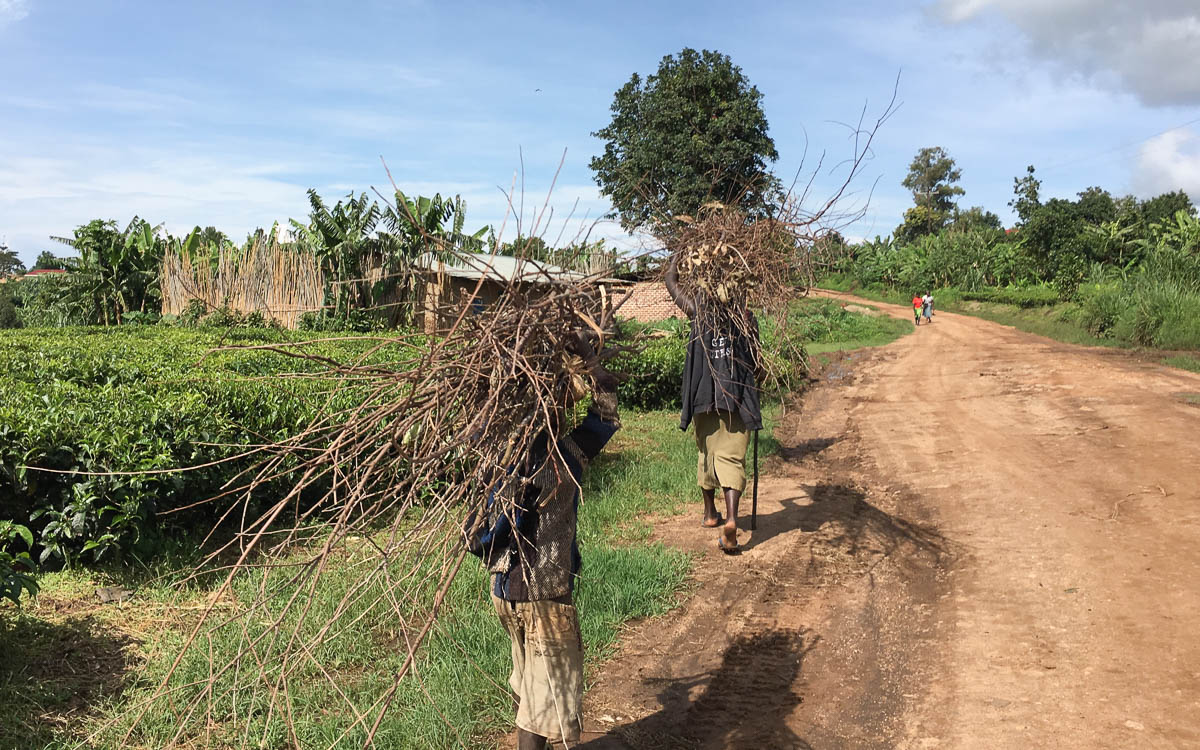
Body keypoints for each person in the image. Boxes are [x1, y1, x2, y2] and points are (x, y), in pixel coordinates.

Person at [464, 339, 620, 750]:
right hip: (545, 596)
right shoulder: (563, 457)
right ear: (557, 404)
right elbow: (605, 418)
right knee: (542, 704)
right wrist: (597, 367)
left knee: (531, 689)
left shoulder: (495, 454)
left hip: (503, 592)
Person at [665, 257, 763, 554]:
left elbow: (671, 284)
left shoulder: (698, 312)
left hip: (703, 396)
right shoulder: (746, 318)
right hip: (737, 397)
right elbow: (757, 364)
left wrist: (677, 258)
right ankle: (731, 518)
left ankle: (710, 515)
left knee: (707, 453)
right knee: (732, 458)